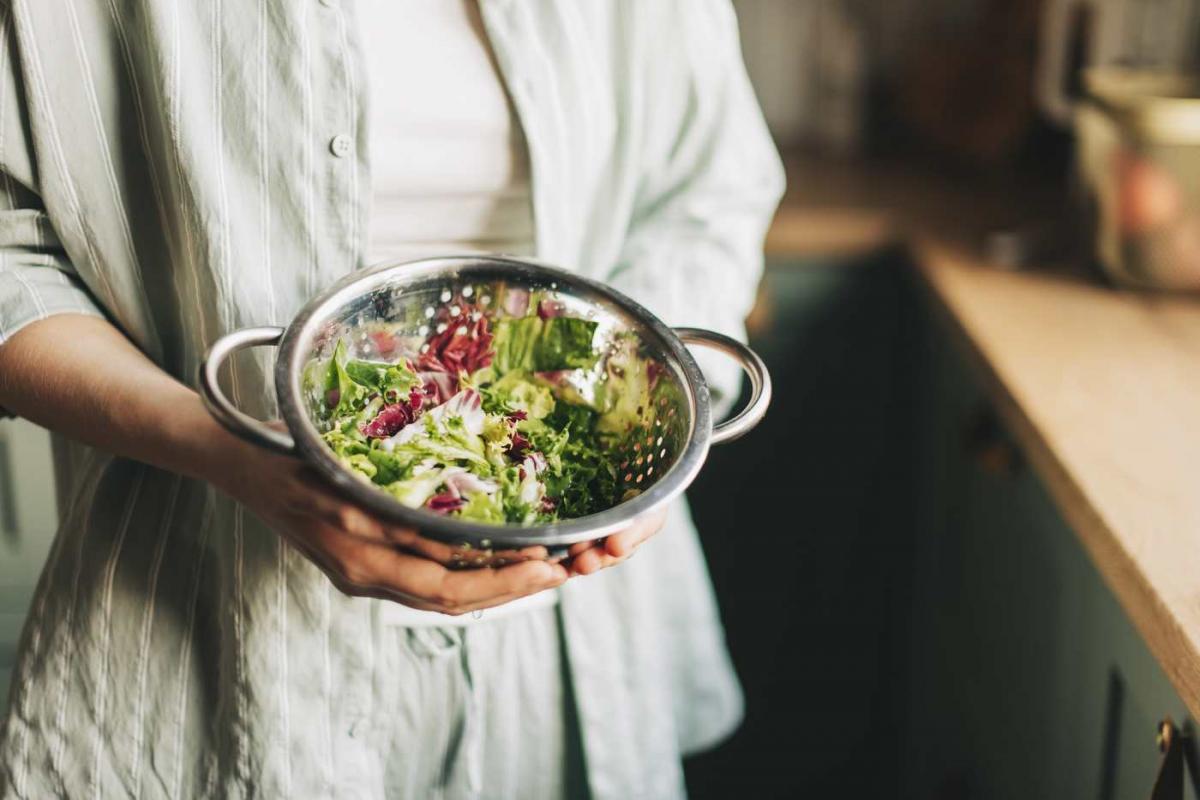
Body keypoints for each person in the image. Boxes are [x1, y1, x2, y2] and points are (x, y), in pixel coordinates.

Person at [0, 0, 782, 797]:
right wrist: (223, 446)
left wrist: (640, 425)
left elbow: (707, 195)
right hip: (200, 615)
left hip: (568, 638)